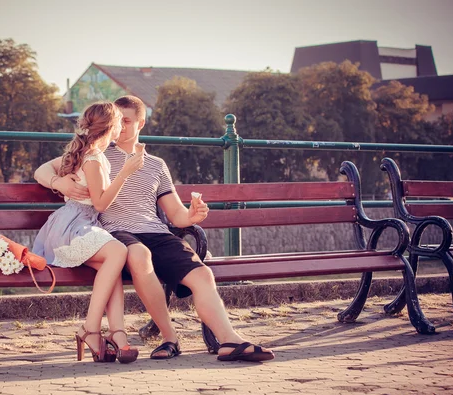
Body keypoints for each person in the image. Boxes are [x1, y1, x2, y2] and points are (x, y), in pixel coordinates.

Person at [35, 95, 274, 363]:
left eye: (126, 122)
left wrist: (191, 215)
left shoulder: (157, 165)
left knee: (203, 274)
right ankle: (170, 337)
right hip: (115, 232)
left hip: (156, 232)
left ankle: (230, 341)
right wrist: (59, 182)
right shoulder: (99, 153)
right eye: (118, 122)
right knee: (140, 256)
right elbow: (44, 169)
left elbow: (175, 215)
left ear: (141, 123)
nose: (120, 128)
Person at [33, 101, 142, 364]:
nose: (122, 128)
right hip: (72, 226)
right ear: (112, 127)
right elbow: (101, 203)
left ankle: (118, 332)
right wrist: (125, 173)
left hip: (81, 225)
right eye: (120, 123)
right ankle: (90, 329)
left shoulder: (90, 153)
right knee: (118, 251)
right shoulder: (92, 158)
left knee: (112, 265)